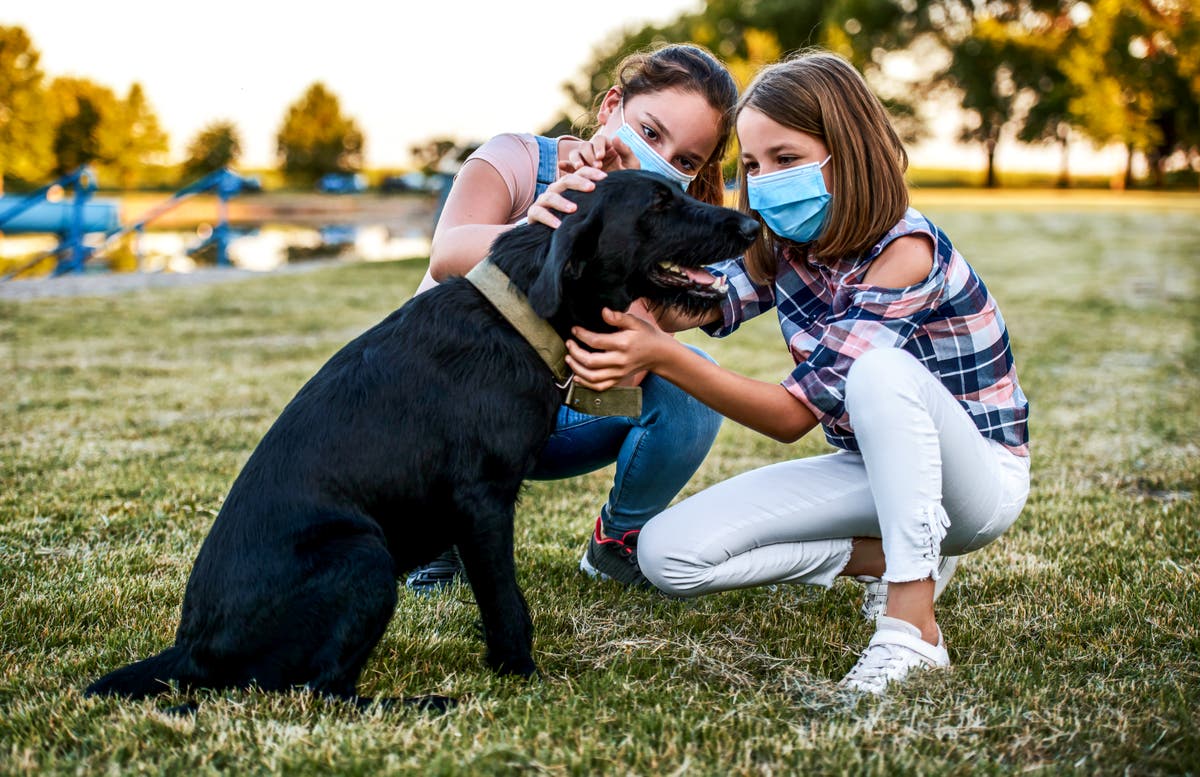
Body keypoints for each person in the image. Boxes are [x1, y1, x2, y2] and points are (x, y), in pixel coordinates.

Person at [545, 50, 1031, 694]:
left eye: (786, 158)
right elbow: (677, 308)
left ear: (848, 151)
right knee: (668, 557)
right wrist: (612, 196)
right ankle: (897, 557)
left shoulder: (908, 252)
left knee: (879, 373)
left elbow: (790, 418)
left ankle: (911, 627)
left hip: (972, 482)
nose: (765, 177)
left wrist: (662, 356)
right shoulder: (786, 249)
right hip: (869, 471)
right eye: (750, 163)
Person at [405, 44, 740, 592]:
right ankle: (436, 531)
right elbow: (447, 253)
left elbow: (623, 373)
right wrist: (563, 223)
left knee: (688, 384)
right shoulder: (513, 157)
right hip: (447, 410)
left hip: (547, 417)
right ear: (612, 107)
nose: (661, 160)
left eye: (685, 161)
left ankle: (617, 541)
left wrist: (624, 221)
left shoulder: (663, 228)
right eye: (651, 133)